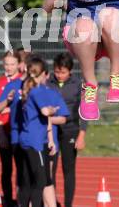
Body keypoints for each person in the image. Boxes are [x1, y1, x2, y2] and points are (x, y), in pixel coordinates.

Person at [18, 56, 68, 207]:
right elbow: (45, 112)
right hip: (36, 142)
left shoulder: (27, 88)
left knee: (28, 180)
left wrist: (51, 139)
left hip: (27, 139)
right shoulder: (37, 90)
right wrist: (53, 109)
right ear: (43, 74)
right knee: (40, 181)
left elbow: (43, 119)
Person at [47, 53, 87, 207]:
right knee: (51, 169)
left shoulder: (77, 84)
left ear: (70, 71)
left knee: (68, 170)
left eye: (63, 72)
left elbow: (84, 111)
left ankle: (68, 204)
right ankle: (52, 203)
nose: (59, 75)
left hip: (71, 130)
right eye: (57, 71)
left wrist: (81, 135)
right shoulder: (48, 82)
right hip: (52, 130)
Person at [0, 50, 22, 207]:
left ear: (19, 64)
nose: (9, 67)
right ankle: (8, 200)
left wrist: (7, 109)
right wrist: (7, 105)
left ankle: (22, 198)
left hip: (21, 130)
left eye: (12, 64)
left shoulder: (23, 82)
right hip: (4, 129)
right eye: (6, 64)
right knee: (7, 167)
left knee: (22, 166)